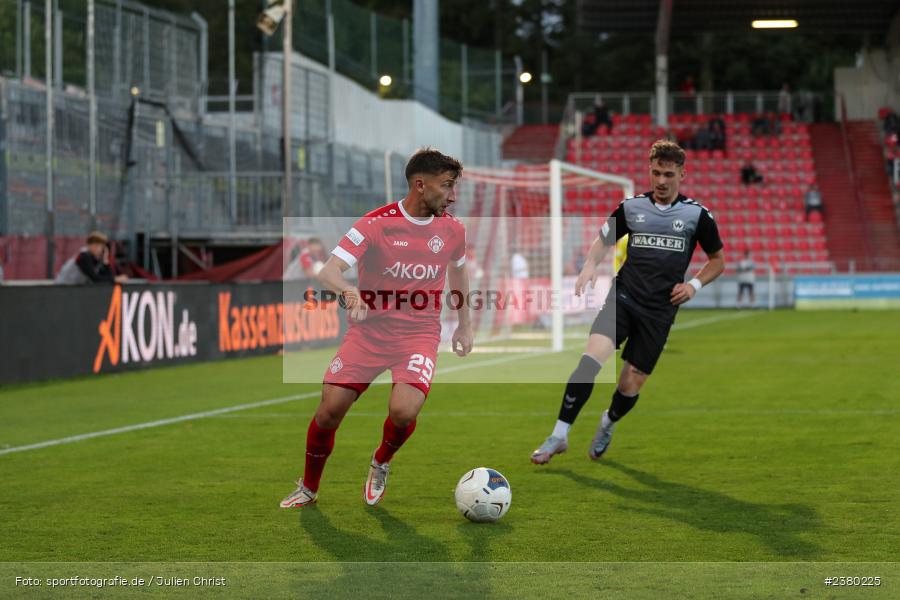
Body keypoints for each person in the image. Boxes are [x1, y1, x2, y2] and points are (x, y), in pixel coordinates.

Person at [280, 147, 473, 508]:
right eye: (447, 186)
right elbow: (328, 271)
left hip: (418, 334)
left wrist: (464, 324)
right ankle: (308, 486)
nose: (452, 195)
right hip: (368, 334)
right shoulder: (373, 224)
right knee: (329, 410)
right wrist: (350, 292)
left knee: (403, 411)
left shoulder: (453, 230)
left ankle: (381, 460)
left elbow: (459, 272)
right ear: (420, 185)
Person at [530, 140, 724, 464]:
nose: (661, 181)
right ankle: (559, 434)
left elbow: (717, 260)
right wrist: (590, 265)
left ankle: (608, 422)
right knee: (589, 362)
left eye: (668, 174)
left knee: (630, 385)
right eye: (655, 172)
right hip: (623, 298)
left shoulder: (697, 215)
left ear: (682, 174)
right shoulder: (631, 207)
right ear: (649, 171)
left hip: (660, 311)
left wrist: (694, 285)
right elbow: (603, 240)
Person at [54, 231, 128, 284]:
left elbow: (106, 277)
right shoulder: (84, 256)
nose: (101, 249)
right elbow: (95, 278)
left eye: (102, 246)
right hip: (63, 288)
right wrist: (115, 279)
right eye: (99, 246)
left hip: (71, 289)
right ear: (91, 245)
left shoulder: (94, 258)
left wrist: (105, 261)